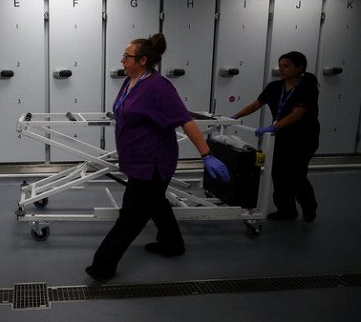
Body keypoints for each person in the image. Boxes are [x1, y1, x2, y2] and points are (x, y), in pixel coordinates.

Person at [85, 33, 230, 282]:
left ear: (142, 60)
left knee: (131, 216)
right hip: (136, 158)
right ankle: (173, 244)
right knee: (157, 203)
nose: (122, 60)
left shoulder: (158, 87)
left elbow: (185, 121)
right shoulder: (131, 81)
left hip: (153, 162)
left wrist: (207, 155)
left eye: (126, 56)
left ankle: (103, 266)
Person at [232, 51, 319, 222]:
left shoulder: (307, 88)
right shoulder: (274, 87)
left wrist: (273, 126)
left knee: (296, 174)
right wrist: (234, 117)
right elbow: (256, 104)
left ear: (299, 68)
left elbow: (296, 114)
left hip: (303, 138)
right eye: (280, 66)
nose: (281, 69)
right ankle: (286, 210)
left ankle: (309, 205)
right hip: (280, 137)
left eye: (286, 66)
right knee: (278, 173)